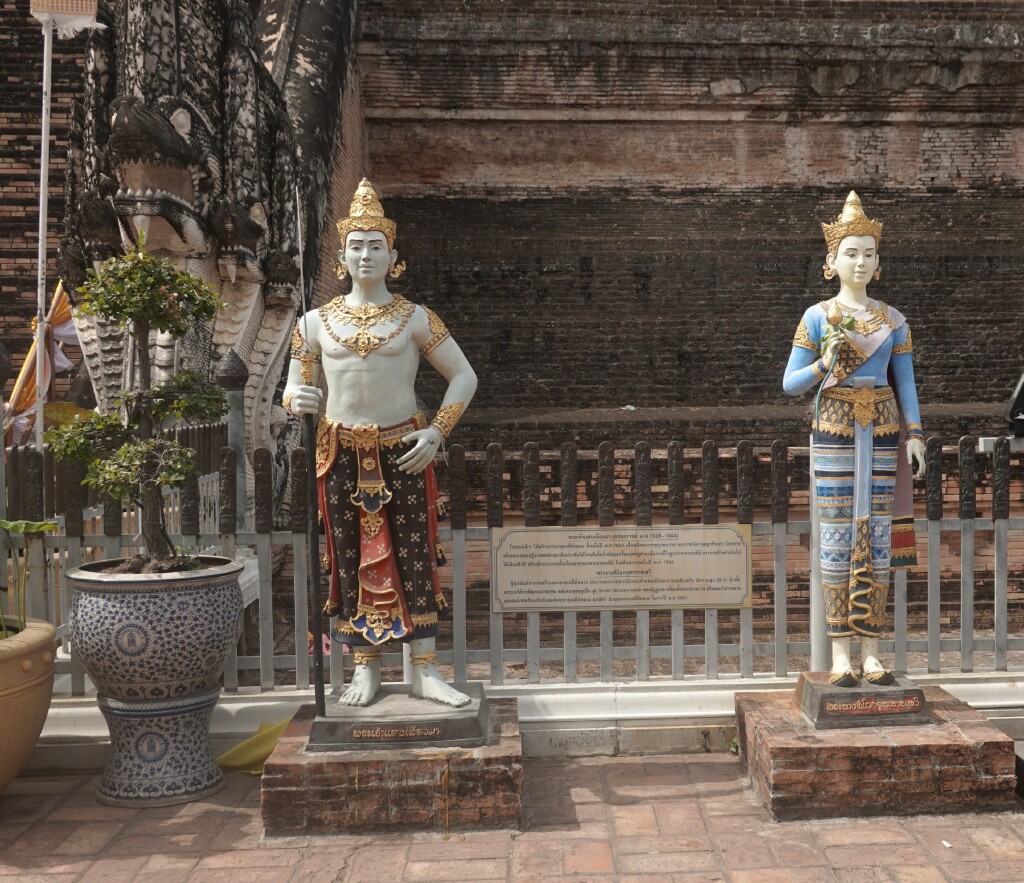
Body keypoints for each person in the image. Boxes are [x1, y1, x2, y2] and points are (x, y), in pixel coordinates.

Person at [282, 179, 477, 708]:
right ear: (341, 257)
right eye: (356, 246)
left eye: (375, 246)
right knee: (349, 556)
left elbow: (463, 376)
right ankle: (365, 666)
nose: (365, 254)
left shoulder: (415, 318)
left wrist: (437, 431)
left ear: (393, 256)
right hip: (341, 451)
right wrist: (297, 399)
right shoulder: (314, 324)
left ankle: (426, 668)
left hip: (404, 448)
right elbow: (295, 387)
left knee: (416, 554)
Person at [783, 191, 925, 687]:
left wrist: (917, 434)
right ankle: (840, 654)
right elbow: (790, 383)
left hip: (883, 430)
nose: (860, 262)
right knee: (838, 538)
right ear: (831, 261)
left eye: (868, 253)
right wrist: (826, 362)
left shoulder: (893, 319)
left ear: (879, 261)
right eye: (851, 253)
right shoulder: (817, 317)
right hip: (836, 429)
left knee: (877, 537)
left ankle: (872, 651)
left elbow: (904, 382)